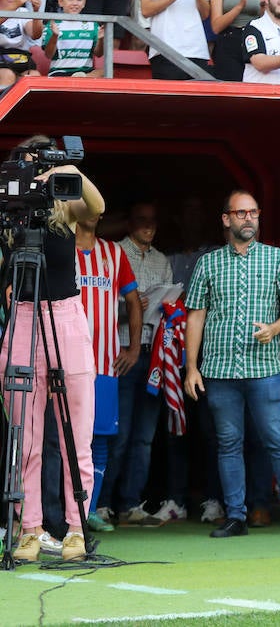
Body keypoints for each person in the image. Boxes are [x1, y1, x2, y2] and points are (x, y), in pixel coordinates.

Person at [183, 190, 280, 538]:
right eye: (240, 213)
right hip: (219, 371)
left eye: (253, 213)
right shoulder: (208, 263)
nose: (248, 219)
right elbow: (195, 316)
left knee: (278, 440)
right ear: (226, 219)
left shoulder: (277, 258)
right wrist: (191, 367)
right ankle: (236, 517)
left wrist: (275, 328)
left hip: (264, 369)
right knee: (228, 444)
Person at [1, 140, 105, 562]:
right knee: (23, 436)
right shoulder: (10, 210)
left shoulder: (64, 207)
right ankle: (30, 529)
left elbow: (96, 208)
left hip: (64, 314)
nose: (34, 166)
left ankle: (76, 531)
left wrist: (67, 173)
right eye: (27, 159)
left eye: (41, 158)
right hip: (23, 316)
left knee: (75, 434)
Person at [110, 199, 182, 525]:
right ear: (129, 223)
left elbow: (170, 306)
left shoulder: (162, 260)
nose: (148, 226)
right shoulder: (114, 253)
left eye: (152, 221)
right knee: (119, 433)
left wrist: (165, 304)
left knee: (144, 437)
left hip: (153, 354)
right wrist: (129, 307)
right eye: (141, 220)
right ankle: (101, 504)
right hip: (123, 350)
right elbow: (99, 307)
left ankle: (130, 504)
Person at [74, 206, 141, 534]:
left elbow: (133, 301)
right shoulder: (61, 249)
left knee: (100, 437)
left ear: (101, 215)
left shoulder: (113, 253)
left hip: (104, 362)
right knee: (66, 439)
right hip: (67, 364)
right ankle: (61, 511)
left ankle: (90, 509)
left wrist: (134, 347)